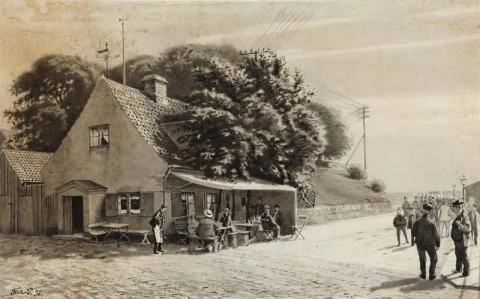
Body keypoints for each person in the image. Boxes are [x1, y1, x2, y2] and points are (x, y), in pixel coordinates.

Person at [411, 203, 440, 280]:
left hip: (420, 243)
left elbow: (413, 233)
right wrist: (438, 244)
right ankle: (432, 274)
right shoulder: (432, 223)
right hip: (430, 244)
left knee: (422, 258)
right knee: (434, 259)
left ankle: (423, 274)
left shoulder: (417, 222)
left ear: (422, 211)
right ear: (429, 212)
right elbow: (436, 235)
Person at [450, 200, 471, 277]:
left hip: (462, 240)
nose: (453, 210)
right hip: (458, 240)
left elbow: (468, 229)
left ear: (458, 208)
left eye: (453, 208)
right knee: (458, 254)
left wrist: (459, 225)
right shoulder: (458, 215)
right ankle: (458, 268)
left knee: (464, 256)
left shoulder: (465, 217)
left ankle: (466, 272)